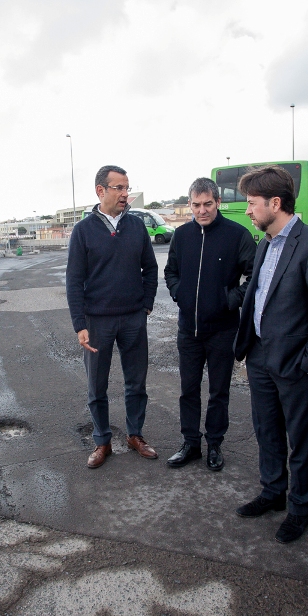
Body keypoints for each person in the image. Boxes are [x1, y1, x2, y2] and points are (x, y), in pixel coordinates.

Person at [233, 165, 308, 544]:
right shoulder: (265, 242)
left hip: (295, 363)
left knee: (301, 437)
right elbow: (258, 297)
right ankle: (273, 492)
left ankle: (301, 507)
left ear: (274, 203)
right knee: (266, 430)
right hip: (260, 355)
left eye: (251, 204)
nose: (247, 211)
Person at [66, 165, 159, 469]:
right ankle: (102, 441)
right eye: (118, 188)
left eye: (126, 188)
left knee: (136, 383)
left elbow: (151, 268)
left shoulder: (136, 226)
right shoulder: (83, 231)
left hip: (133, 319)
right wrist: (80, 324)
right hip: (97, 322)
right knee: (97, 386)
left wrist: (146, 302)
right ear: (100, 191)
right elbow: (74, 280)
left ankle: (135, 435)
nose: (125, 194)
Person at [163, 177, 256, 471]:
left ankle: (214, 443)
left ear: (217, 203)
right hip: (188, 330)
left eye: (207, 204)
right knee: (188, 390)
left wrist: (230, 300)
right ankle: (190, 443)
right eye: (195, 205)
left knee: (219, 391)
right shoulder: (181, 235)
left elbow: (254, 276)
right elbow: (171, 272)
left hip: (223, 329)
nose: (201, 211)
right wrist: (180, 294)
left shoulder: (238, 235)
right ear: (189, 204)